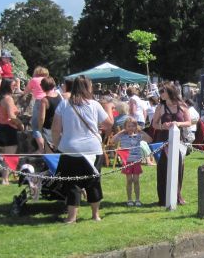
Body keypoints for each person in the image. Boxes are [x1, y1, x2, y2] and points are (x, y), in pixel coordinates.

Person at [51, 75, 114, 223]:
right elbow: (109, 124)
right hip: (92, 148)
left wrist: (58, 144)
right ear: (88, 87)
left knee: (72, 183)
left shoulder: (64, 105)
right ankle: (95, 215)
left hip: (69, 148)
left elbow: (55, 129)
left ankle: (71, 217)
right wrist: (109, 110)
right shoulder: (95, 105)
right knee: (93, 182)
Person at [151, 82, 193, 206]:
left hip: (178, 140)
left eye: (162, 91)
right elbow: (154, 124)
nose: (160, 94)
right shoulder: (160, 107)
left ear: (169, 92)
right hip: (164, 140)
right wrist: (162, 126)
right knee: (163, 168)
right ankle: (163, 198)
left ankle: (177, 196)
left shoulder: (182, 105)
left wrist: (178, 124)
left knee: (178, 167)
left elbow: (189, 122)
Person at [113, 117, 153, 207]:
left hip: (136, 161)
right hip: (127, 161)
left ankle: (137, 199)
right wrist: (121, 132)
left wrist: (141, 131)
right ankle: (129, 199)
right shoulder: (123, 136)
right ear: (125, 127)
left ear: (136, 127)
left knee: (136, 180)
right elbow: (113, 140)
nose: (131, 128)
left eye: (133, 126)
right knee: (129, 181)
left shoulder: (138, 136)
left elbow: (150, 139)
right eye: (129, 126)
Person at [0, 78, 24, 185]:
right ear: (7, 86)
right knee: (9, 156)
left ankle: (6, 177)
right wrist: (20, 124)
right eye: (13, 85)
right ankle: (4, 179)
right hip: (8, 129)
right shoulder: (8, 98)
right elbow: (11, 116)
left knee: (6, 155)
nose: (15, 87)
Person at [23, 66, 50, 152]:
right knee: (47, 126)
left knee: (36, 126)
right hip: (49, 101)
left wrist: (20, 91)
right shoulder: (48, 80)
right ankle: (48, 147)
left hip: (39, 102)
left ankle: (41, 149)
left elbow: (26, 91)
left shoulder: (34, 80)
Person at [36, 76, 62, 153]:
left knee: (49, 150)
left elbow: (41, 117)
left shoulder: (44, 100)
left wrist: (40, 129)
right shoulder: (59, 96)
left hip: (48, 128)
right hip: (59, 126)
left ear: (42, 87)